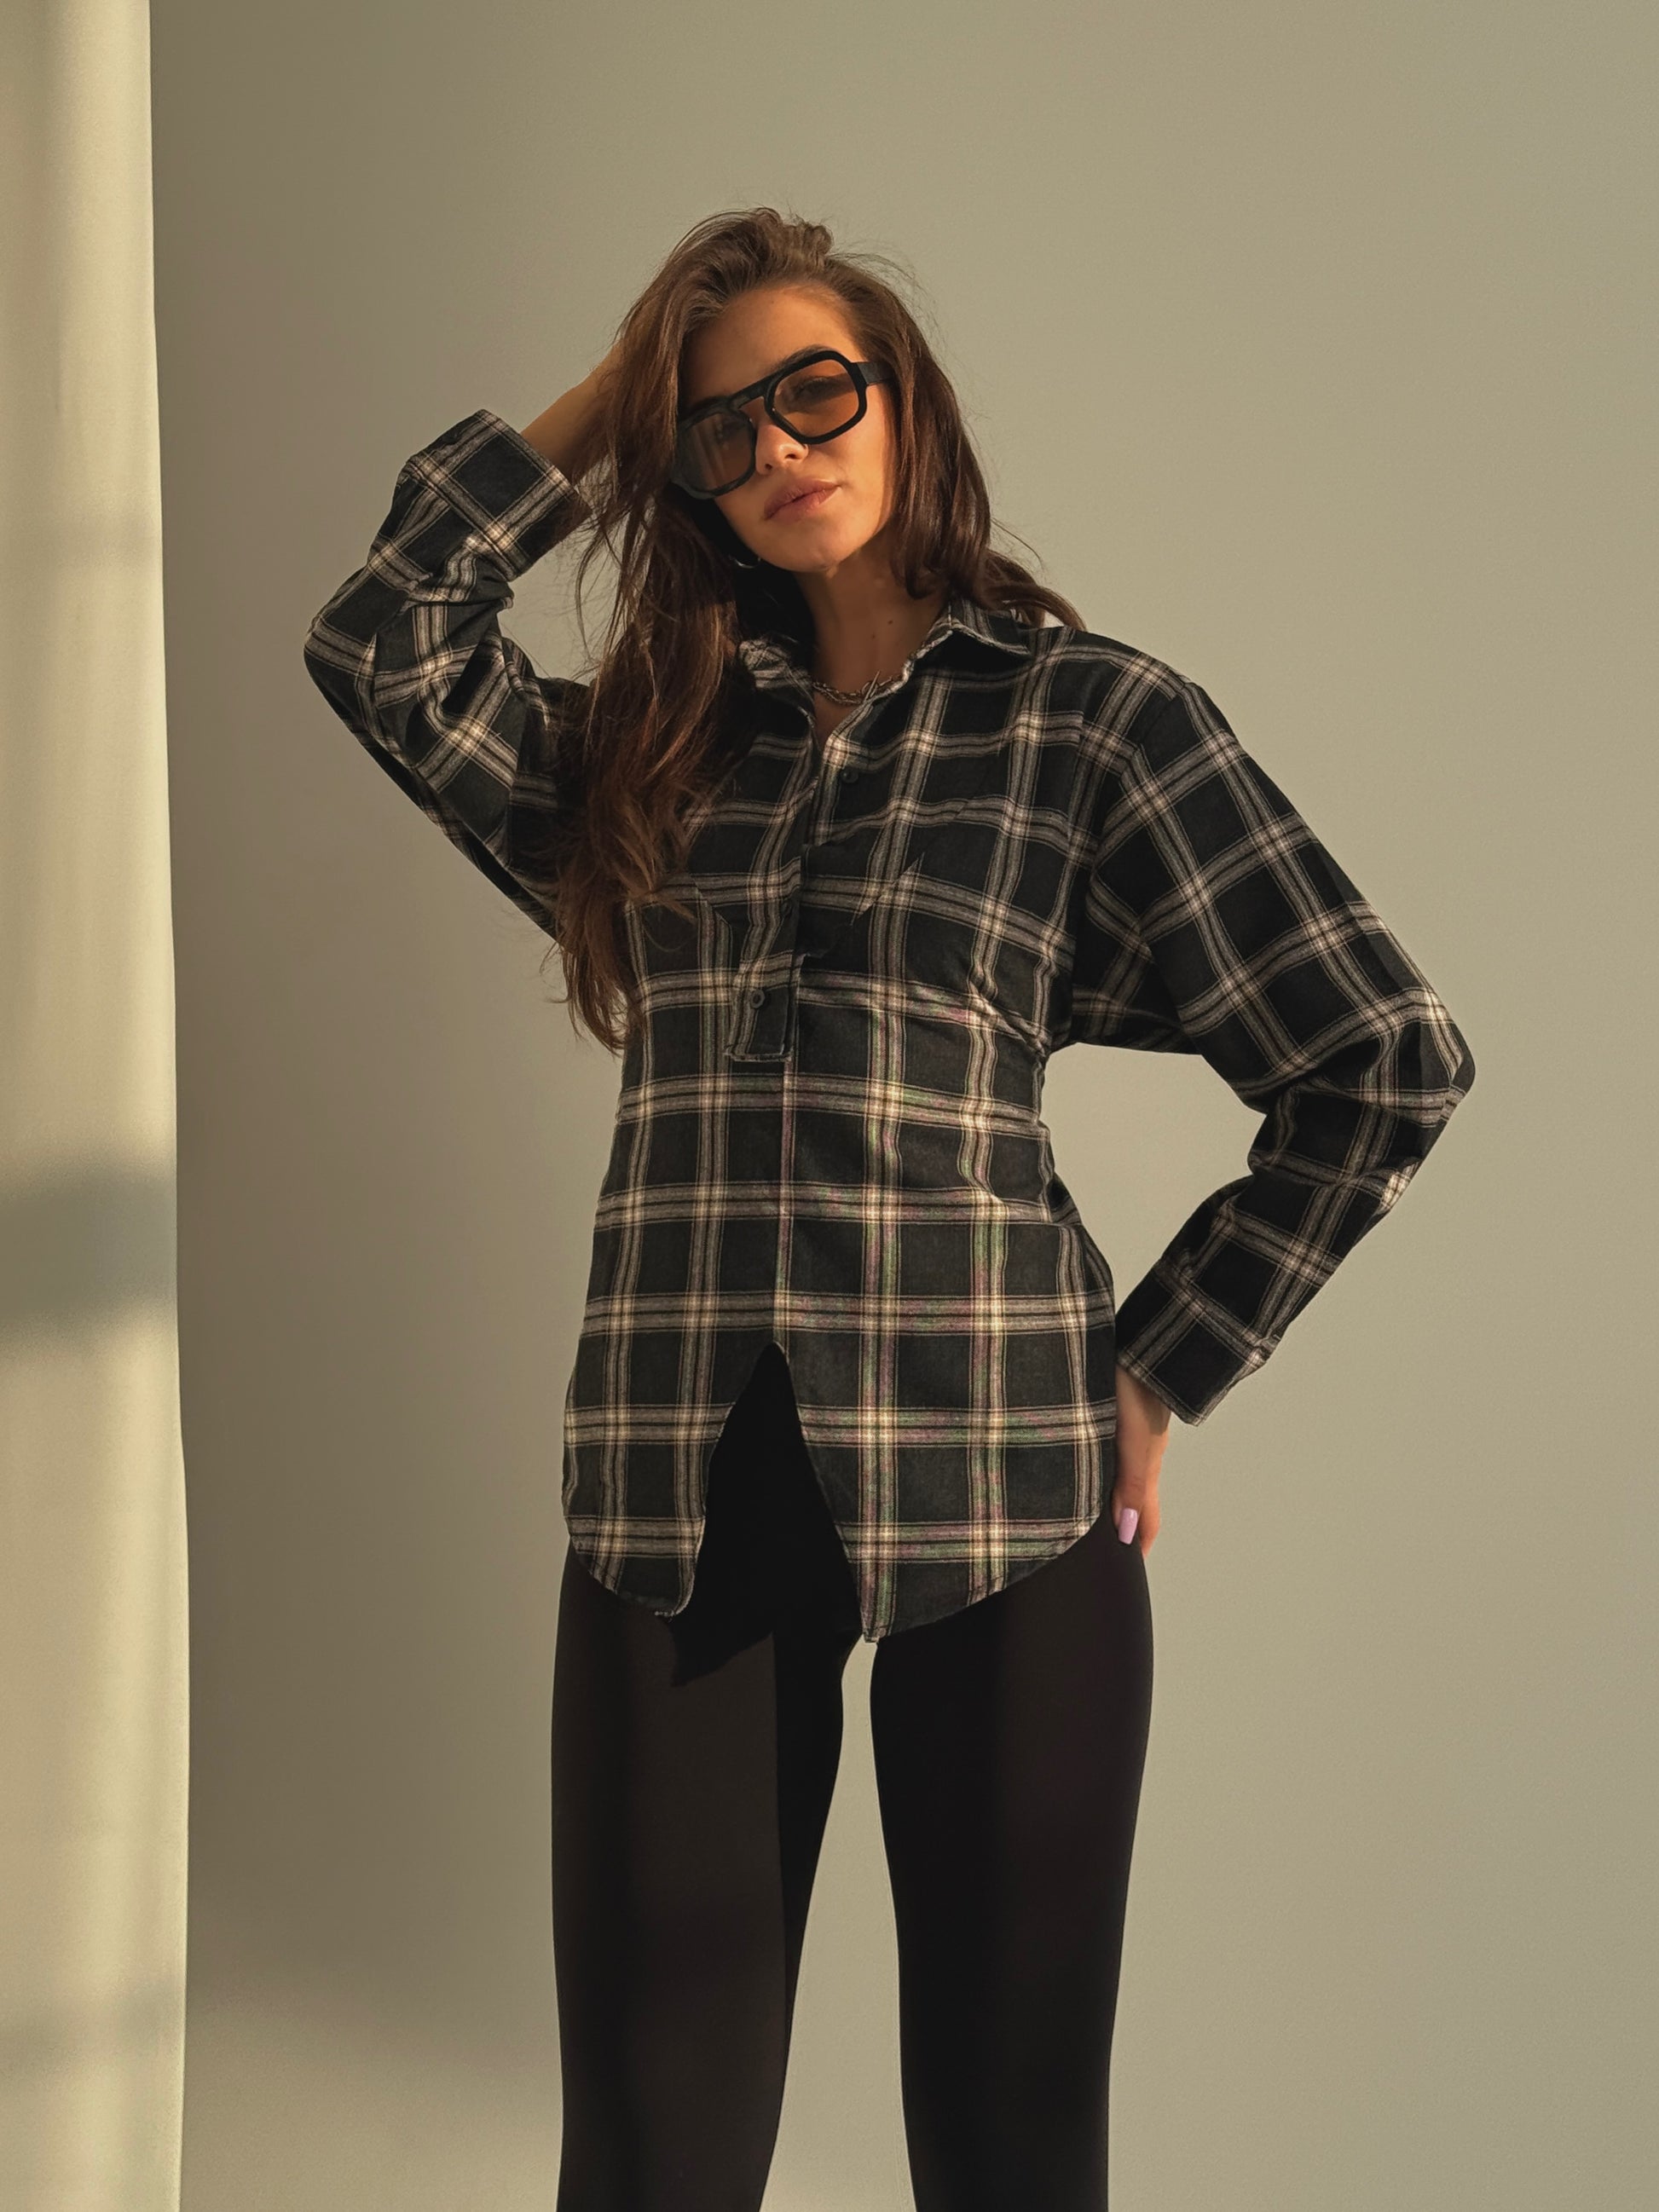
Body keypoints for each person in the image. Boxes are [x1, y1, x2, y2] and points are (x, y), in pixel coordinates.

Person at [302, 206, 1476, 2210]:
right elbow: (382, 641)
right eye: (722, 429)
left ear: (903, 400)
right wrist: (610, 401)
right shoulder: (658, 754)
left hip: (1004, 1486)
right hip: (676, 1487)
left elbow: (1382, 1054)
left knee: (1011, 2155)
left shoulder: (1094, 723)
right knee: (650, 2158)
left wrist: (1163, 1363)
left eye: (813, 392)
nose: (776, 447)